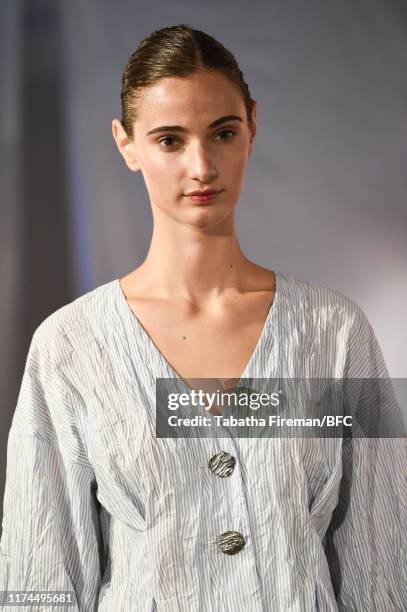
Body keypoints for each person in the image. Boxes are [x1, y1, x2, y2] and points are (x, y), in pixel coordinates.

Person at [0, 24, 405, 612]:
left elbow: (382, 573)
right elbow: (40, 581)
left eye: (222, 133)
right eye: (169, 140)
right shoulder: (70, 346)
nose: (201, 166)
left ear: (252, 129)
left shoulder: (337, 334)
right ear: (126, 144)